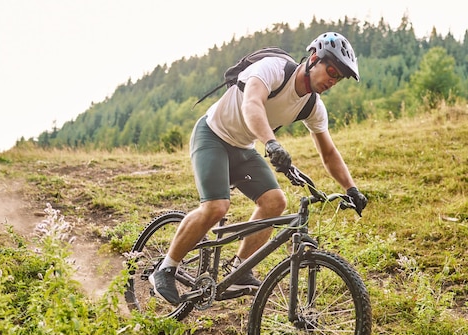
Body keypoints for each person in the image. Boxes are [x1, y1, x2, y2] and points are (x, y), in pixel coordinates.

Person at [150, 32, 368, 304]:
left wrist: (351, 188)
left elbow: (329, 152)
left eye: (338, 78)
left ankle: (238, 270)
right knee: (216, 207)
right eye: (331, 71)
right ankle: (166, 268)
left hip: (243, 148)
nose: (332, 81)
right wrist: (271, 143)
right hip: (212, 135)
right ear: (314, 59)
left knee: (275, 202)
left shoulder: (313, 106)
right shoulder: (274, 68)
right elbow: (251, 103)